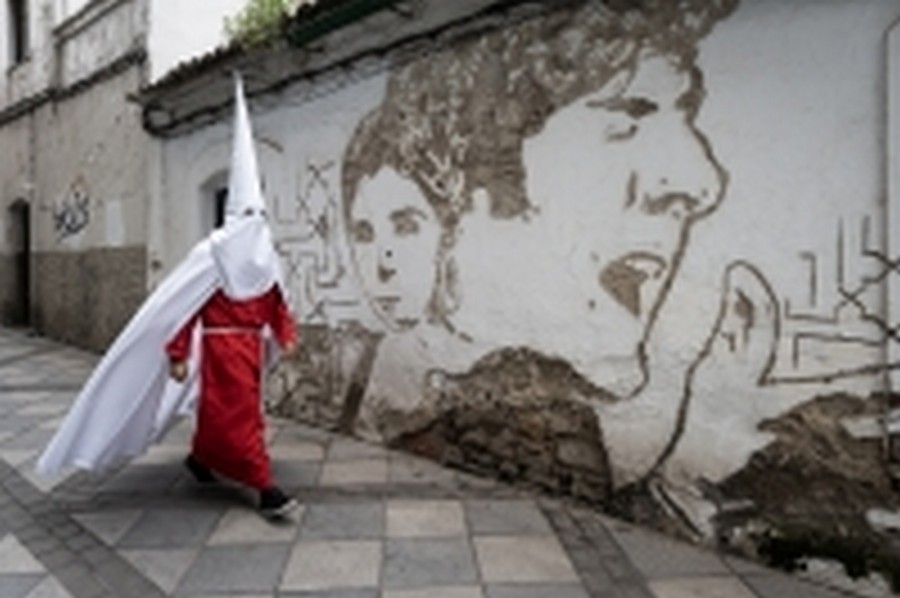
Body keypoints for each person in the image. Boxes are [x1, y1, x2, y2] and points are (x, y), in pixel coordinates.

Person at [37, 74, 299, 518]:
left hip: (250, 349)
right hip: (220, 351)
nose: (256, 220)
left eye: (260, 212)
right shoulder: (213, 254)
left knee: (230, 413)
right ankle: (262, 484)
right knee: (237, 416)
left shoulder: (264, 254)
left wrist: (283, 332)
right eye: (248, 211)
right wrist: (178, 352)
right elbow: (183, 308)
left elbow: (275, 299)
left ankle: (202, 458)